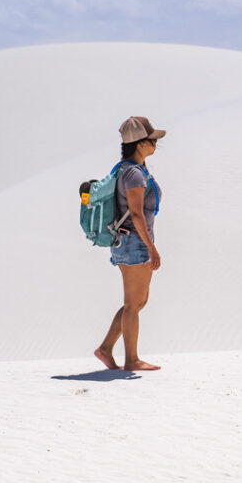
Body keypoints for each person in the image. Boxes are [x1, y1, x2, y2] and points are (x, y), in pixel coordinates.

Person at [94, 116, 165, 371]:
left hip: (129, 240)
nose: (155, 143)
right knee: (134, 304)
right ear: (140, 143)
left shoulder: (125, 168)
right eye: (151, 139)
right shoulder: (134, 173)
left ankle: (105, 349)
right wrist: (152, 248)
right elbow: (135, 214)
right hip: (134, 241)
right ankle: (132, 360)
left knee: (137, 302)